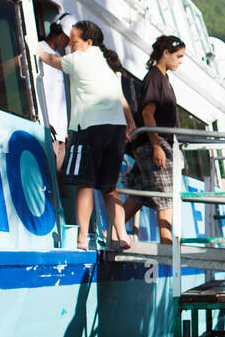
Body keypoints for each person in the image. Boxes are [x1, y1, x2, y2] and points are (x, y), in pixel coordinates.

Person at [38, 21, 136, 250]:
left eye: (74, 41)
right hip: (116, 130)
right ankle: (123, 235)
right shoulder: (109, 65)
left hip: (90, 127)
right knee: (109, 187)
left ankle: (83, 237)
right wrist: (130, 124)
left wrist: (37, 49)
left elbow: (53, 61)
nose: (70, 45)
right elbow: (121, 99)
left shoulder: (80, 58)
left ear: (88, 42)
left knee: (85, 184)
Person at [124, 35, 186, 244]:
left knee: (140, 193)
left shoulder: (163, 78)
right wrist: (157, 145)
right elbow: (148, 115)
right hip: (153, 143)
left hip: (156, 142)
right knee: (166, 192)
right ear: (165, 53)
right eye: (178, 56)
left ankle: (112, 231)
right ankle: (166, 239)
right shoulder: (154, 78)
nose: (180, 61)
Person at [37, 19, 71, 171]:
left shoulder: (57, 56)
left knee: (60, 182)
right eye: (66, 36)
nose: (68, 41)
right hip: (48, 126)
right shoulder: (39, 48)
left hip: (60, 130)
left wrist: (65, 128)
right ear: (57, 30)